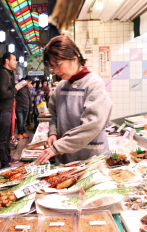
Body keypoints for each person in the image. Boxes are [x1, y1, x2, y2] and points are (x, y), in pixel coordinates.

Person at [35, 35, 112, 166]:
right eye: (53, 66)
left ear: (74, 58)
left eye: (58, 64)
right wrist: (53, 132)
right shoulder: (61, 86)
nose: (56, 70)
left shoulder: (94, 84)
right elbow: (54, 116)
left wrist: (57, 147)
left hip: (92, 159)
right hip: (66, 159)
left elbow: (92, 125)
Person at [0, 52, 25, 168]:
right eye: (14, 59)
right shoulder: (3, 74)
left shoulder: (8, 73)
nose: (16, 62)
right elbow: (2, 94)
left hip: (7, 110)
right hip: (3, 110)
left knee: (7, 136)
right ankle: (4, 162)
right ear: (7, 61)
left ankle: (7, 157)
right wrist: (16, 88)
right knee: (3, 137)